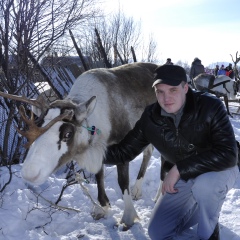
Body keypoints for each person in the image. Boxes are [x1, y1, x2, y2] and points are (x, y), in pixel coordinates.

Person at [104, 64, 238, 240]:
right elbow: (123, 152)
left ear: (185, 88)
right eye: (160, 91)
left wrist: (179, 169)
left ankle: (210, 234)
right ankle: (202, 206)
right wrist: (89, 152)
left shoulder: (210, 106)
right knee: (158, 232)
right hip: (187, 176)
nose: (166, 98)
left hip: (219, 169)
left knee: (205, 187)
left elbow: (228, 153)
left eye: (173, 90)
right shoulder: (151, 117)